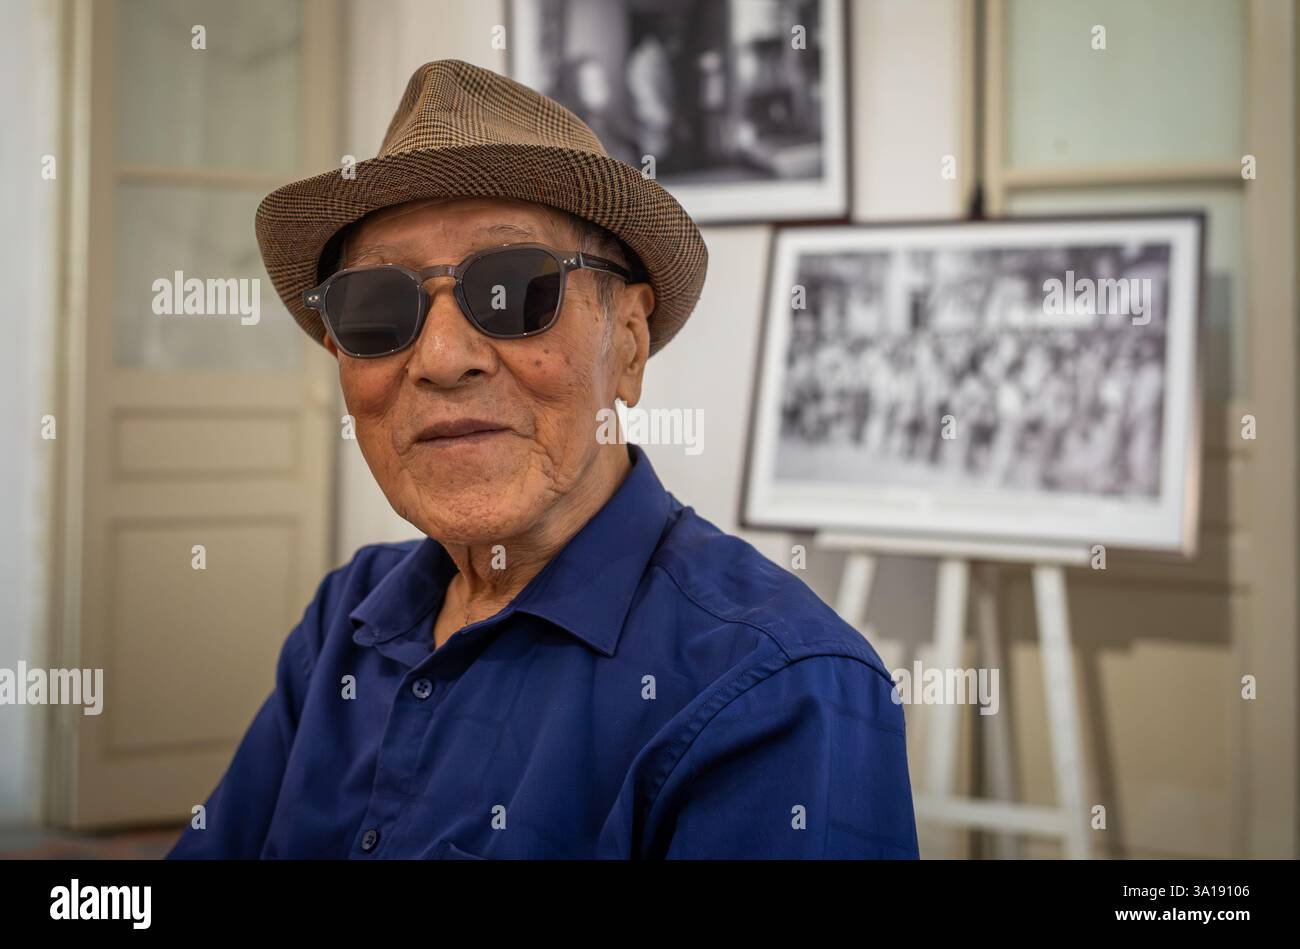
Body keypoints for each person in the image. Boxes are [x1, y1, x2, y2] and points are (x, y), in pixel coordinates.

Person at [166, 60, 918, 860]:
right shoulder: (345, 621)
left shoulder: (778, 684)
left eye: (513, 289)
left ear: (626, 344)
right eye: (379, 306)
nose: (444, 356)